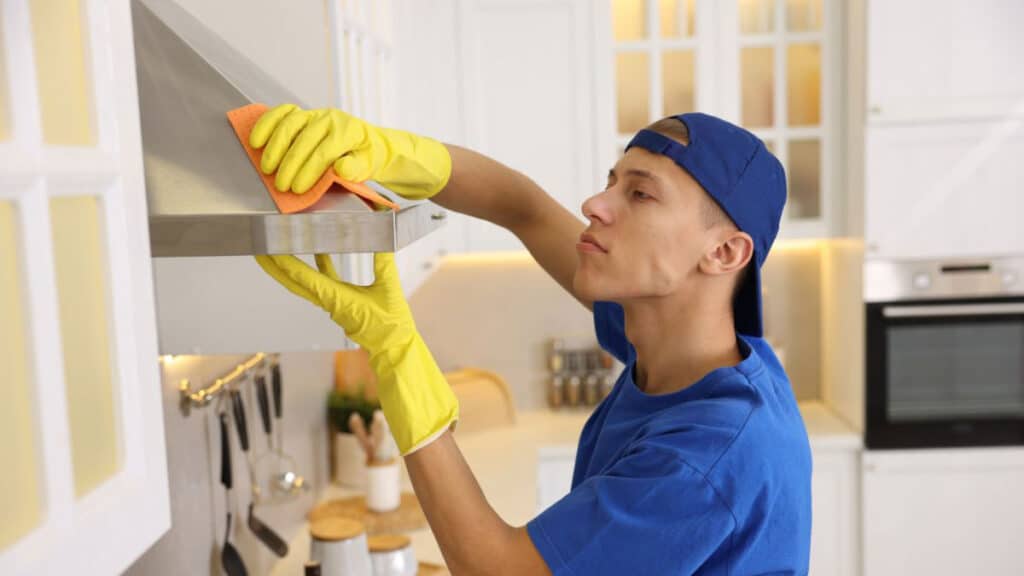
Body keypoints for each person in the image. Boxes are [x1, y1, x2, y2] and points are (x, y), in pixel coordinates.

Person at [252, 104, 812, 575]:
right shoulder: (680, 342)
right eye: (612, 181)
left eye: (640, 195)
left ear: (724, 253)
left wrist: (395, 353)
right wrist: (389, 151)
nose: (596, 204)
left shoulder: (706, 457)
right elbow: (521, 206)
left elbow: (498, 569)